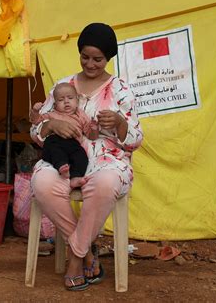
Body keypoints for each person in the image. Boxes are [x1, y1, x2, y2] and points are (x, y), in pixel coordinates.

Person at [30, 22, 143, 291]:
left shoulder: (121, 89)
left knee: (105, 185)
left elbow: (136, 138)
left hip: (107, 158)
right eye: (85, 57)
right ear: (79, 53)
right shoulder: (62, 86)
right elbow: (36, 129)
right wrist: (50, 126)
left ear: (109, 58)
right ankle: (87, 254)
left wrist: (118, 122)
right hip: (63, 157)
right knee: (43, 183)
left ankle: (75, 260)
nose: (90, 64)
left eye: (98, 59)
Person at [29, 83, 99, 188]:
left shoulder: (81, 116)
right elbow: (36, 121)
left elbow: (91, 135)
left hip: (73, 144)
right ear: (55, 104)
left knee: (82, 157)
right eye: (61, 100)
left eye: (70, 98)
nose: (66, 101)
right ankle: (61, 166)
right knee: (54, 150)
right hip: (54, 141)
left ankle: (75, 177)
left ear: (77, 101)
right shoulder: (51, 114)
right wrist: (35, 111)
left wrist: (94, 128)